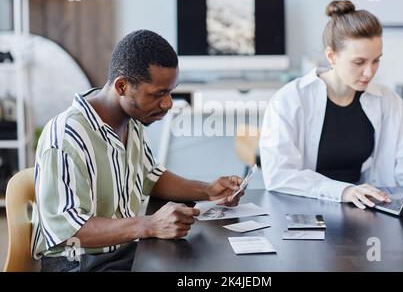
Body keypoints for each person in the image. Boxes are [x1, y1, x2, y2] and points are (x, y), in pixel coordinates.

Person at [32, 30, 244, 272]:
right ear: (122, 86)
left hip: (122, 250)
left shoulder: (132, 120)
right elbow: (67, 231)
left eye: (170, 92)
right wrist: (149, 225)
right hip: (76, 263)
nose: (168, 104)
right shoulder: (66, 135)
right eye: (158, 94)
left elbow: (150, 177)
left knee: (207, 259)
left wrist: (207, 190)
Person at [260, 0, 403, 210]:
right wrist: (344, 191)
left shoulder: (388, 101)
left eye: (376, 60)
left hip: (362, 211)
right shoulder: (289, 100)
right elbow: (279, 175)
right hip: (303, 211)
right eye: (359, 62)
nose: (370, 72)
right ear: (331, 56)